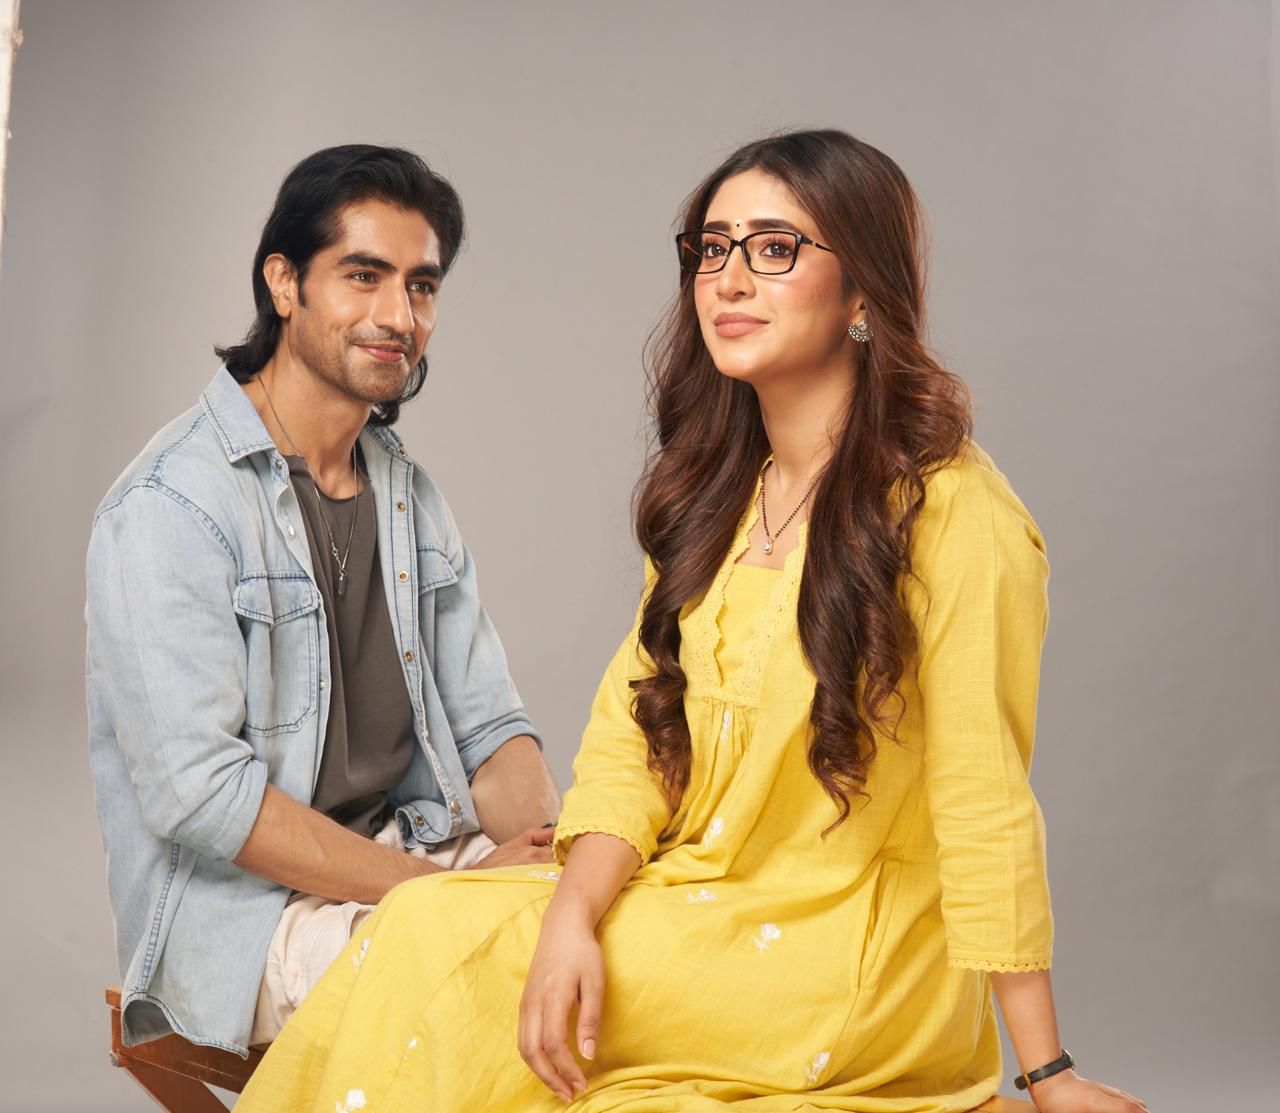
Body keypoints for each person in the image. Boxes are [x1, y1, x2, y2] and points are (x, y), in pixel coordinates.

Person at [234, 130, 1148, 1112]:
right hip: (687, 902)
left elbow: (983, 801)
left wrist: (1044, 1072)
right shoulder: (718, 500)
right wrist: (572, 916)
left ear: (862, 293)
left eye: (774, 248)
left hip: (844, 956)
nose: (730, 280)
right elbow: (636, 745)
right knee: (428, 921)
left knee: (458, 958)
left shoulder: (952, 512)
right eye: (713, 249)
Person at [85, 144, 561, 1057]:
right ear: (284, 283)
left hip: (408, 854)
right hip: (247, 918)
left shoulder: (408, 494)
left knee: (609, 933)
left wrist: (554, 854)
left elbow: (490, 729)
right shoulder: (171, 504)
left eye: (422, 286)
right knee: (483, 992)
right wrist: (443, 893)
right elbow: (201, 797)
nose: (399, 316)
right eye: (363, 276)